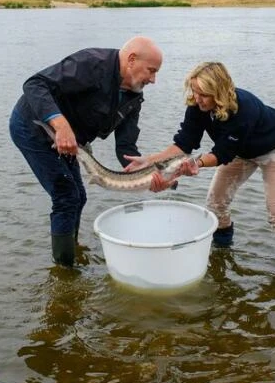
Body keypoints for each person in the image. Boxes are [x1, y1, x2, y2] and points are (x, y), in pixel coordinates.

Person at [125, 61, 275, 272]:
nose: (197, 98)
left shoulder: (244, 108)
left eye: (203, 94)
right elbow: (184, 143)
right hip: (239, 151)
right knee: (215, 203)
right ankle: (222, 250)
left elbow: (222, 154)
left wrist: (197, 163)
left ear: (218, 92)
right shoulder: (197, 105)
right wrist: (150, 160)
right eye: (194, 91)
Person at [9, 36, 163, 266]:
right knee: (66, 196)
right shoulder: (92, 63)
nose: (153, 79)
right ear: (131, 59)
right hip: (32, 125)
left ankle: (71, 249)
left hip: (73, 142)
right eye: (151, 71)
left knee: (79, 196)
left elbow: (126, 147)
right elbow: (35, 84)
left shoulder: (134, 96)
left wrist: (146, 175)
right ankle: (65, 269)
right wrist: (60, 125)